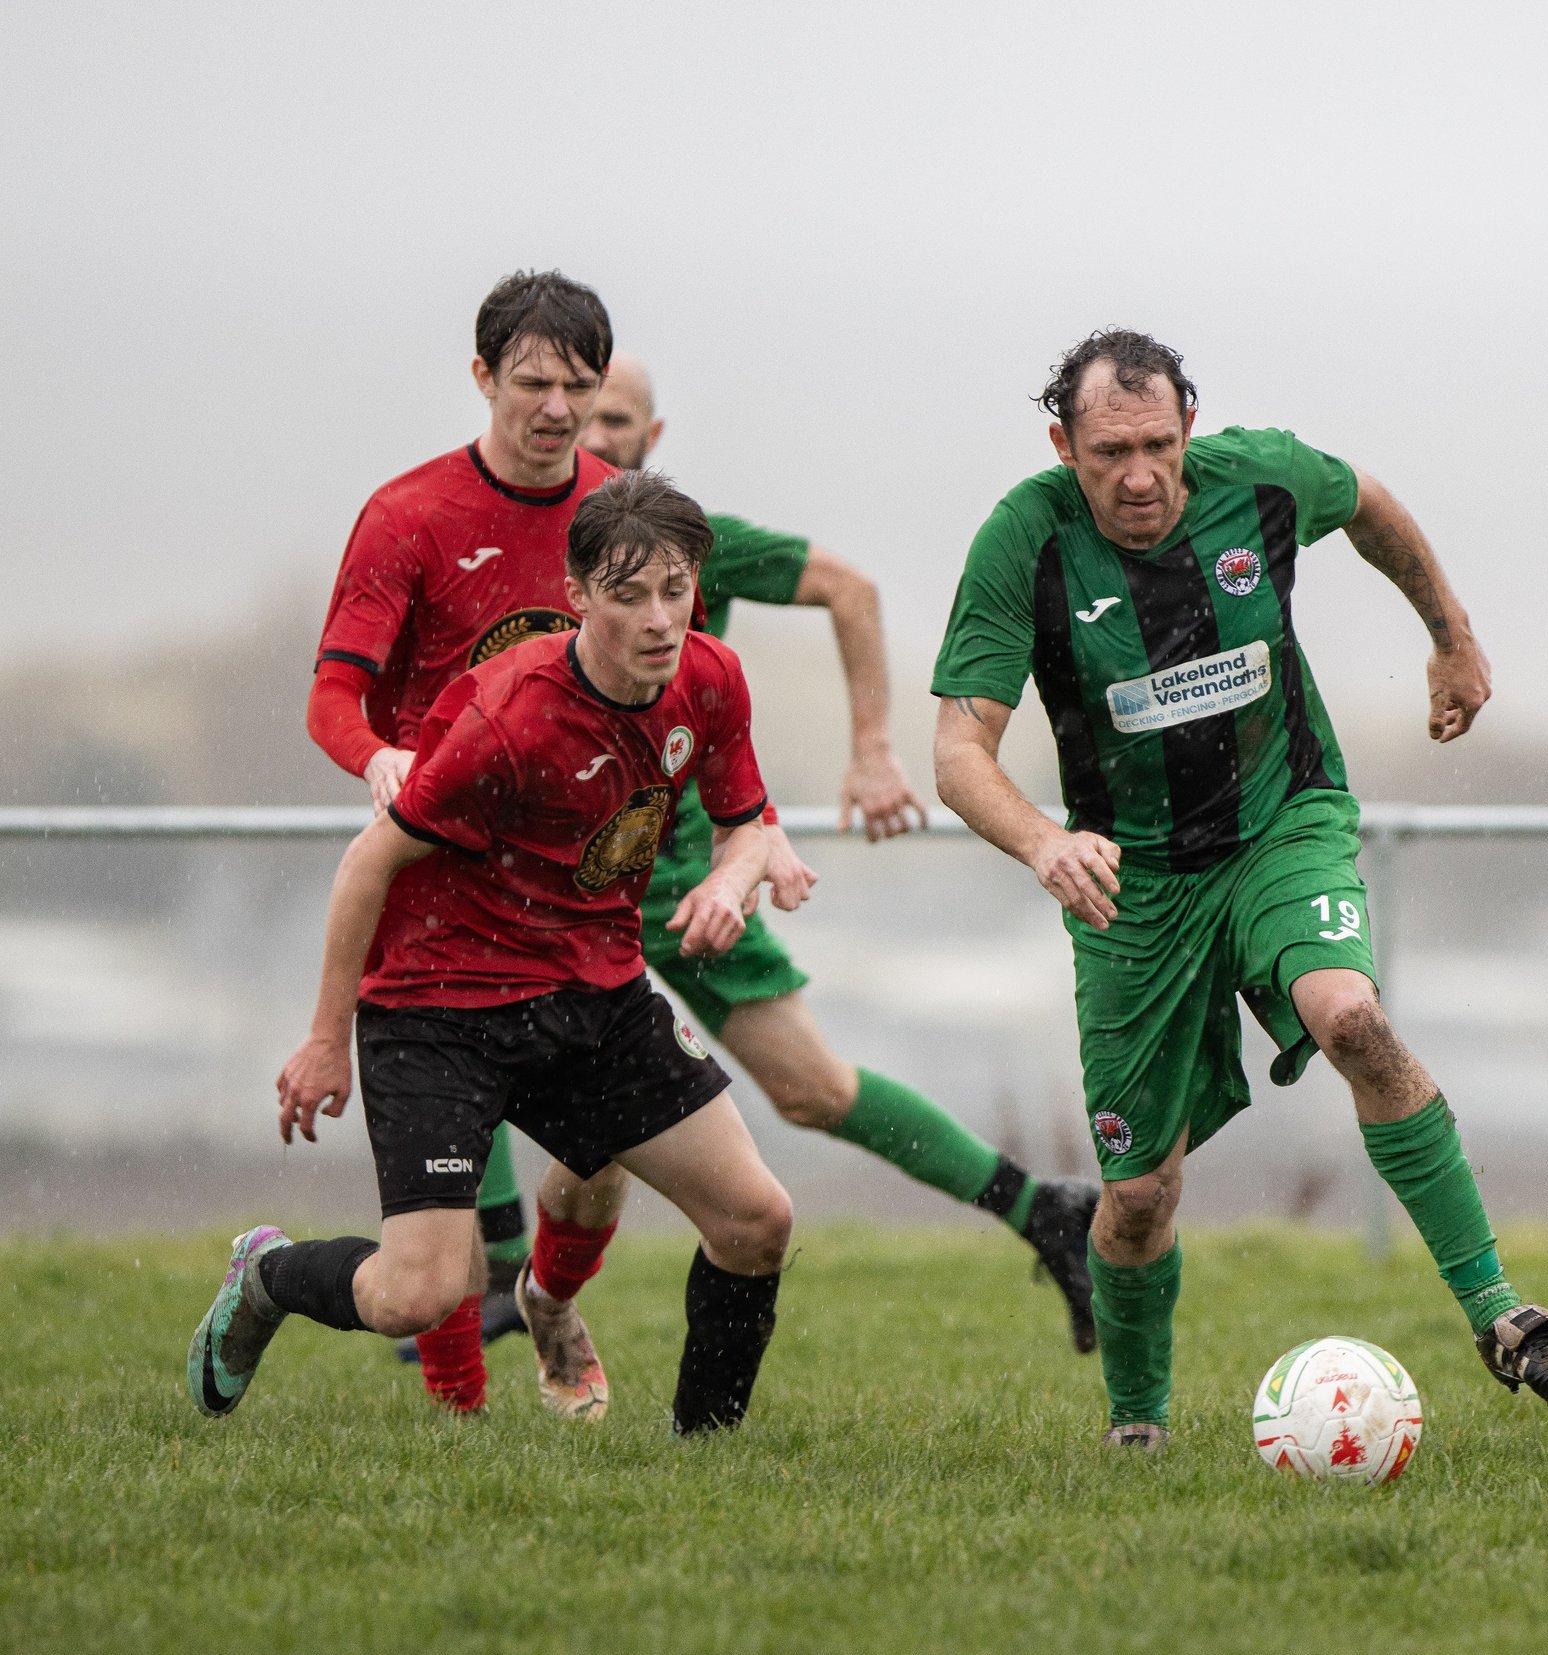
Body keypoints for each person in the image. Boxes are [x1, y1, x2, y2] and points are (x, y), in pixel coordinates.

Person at [931, 329, 1548, 1451]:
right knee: (1138, 1196)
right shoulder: (1025, 539)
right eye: (1109, 453)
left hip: (1279, 823)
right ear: (1064, 444)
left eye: (1157, 444)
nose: (1139, 475)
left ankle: (1500, 1313)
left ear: (1189, 427)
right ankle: (1135, 1423)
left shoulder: (1261, 477)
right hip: (1130, 885)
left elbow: (1372, 504)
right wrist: (1045, 842)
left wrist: (1451, 638)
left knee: (1353, 1017)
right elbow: (958, 750)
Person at [193, 472, 796, 1438]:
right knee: (417, 1294)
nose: (657, 620)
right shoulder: (507, 718)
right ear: (577, 593)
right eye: (628, 594)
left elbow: (745, 824)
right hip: (441, 1008)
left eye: (674, 592)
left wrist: (732, 881)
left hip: (593, 997)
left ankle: (704, 1453)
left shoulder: (711, 678)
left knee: (756, 1222)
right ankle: (265, 1273)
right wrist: (323, 1040)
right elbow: (368, 862)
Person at [534, 355, 1099, 1360]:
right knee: (570, 1113)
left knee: (811, 1089)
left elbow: (850, 587)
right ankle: (514, 1291)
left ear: (650, 437)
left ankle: (1042, 1210)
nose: (594, 434)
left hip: (682, 874)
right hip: (550, 887)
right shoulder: (511, 539)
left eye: (616, 419)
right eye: (581, 414)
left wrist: (873, 750)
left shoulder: (686, 535)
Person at [306, 269, 620, 1409]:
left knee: (609, 1148)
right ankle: (456, 1411)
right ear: (483, 377)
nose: (554, 409)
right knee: (446, 1181)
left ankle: (549, 1303)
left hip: (577, 884)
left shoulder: (615, 512)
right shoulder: (410, 516)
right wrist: (378, 757)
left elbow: (670, 678)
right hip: (436, 883)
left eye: (577, 388)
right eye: (531, 383)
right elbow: (333, 700)